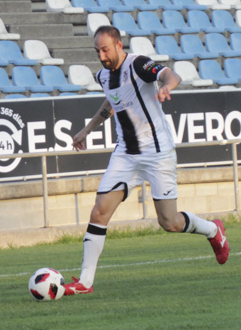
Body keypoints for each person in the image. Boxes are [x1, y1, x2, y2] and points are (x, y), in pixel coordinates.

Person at [64, 26, 230, 296]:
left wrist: (167, 87)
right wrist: (87, 129)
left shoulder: (138, 64)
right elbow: (112, 102)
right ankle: (85, 282)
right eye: (97, 51)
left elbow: (171, 75)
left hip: (157, 153)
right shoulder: (103, 75)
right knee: (99, 212)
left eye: (105, 50)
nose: (102, 56)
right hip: (125, 154)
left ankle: (213, 230)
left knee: (170, 222)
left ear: (119, 45)